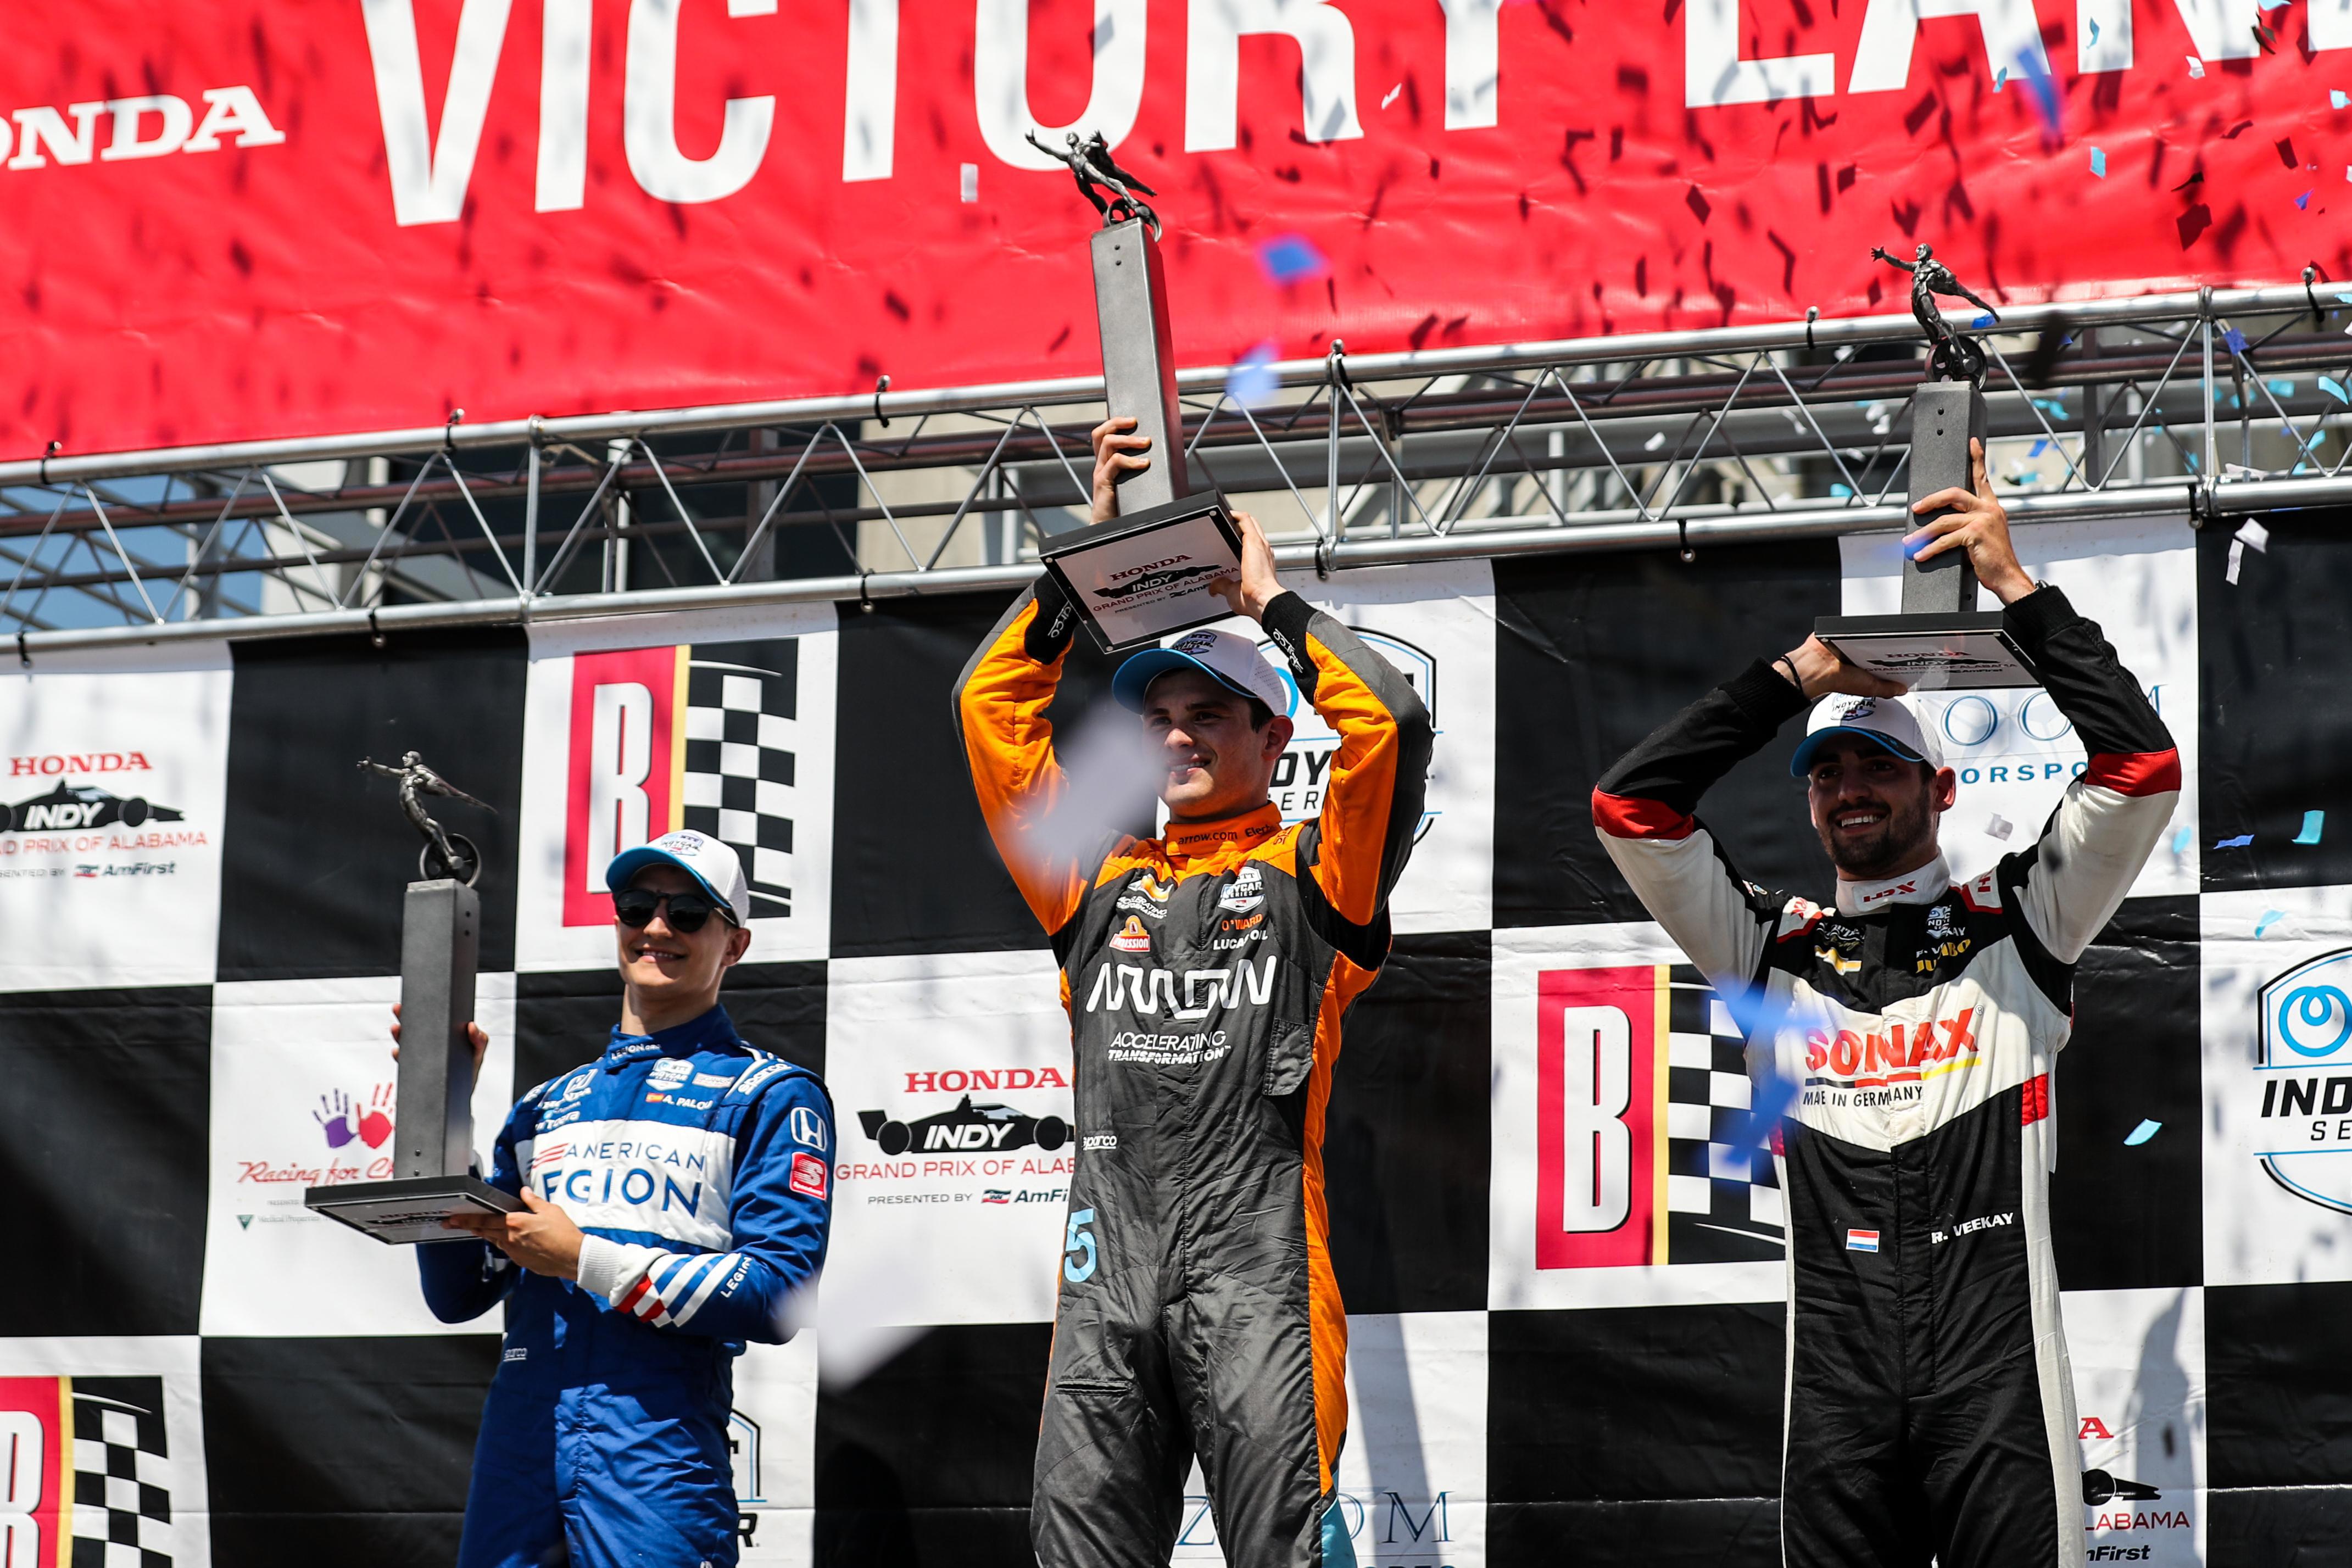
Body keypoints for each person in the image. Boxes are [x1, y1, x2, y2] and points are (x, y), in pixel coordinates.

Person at [1590, 441, 2178, 1568]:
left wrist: (2017, 590)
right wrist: (1800, 676)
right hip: (1835, 1386)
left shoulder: (2022, 922)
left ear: (1938, 786)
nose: (1847, 790)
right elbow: (1629, 805)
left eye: (1873, 767)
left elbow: (2138, 769)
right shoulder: (1764, 947)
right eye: (1825, 773)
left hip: (1993, 1370)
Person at [956, 416, 1433, 1568]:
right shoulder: (1090, 875)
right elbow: (991, 709)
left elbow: (1389, 725)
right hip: (1104, 1278)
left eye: (1206, 714)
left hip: (1259, 1272)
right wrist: (1086, 570)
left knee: (1283, 1551)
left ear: (1272, 735)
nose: (1174, 735)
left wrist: (1272, 607)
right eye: (1156, 717)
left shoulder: (1318, 874)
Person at [402, 829, 834, 1568]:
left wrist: (585, 1259)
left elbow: (777, 1294)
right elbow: (456, 1294)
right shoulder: (545, 1106)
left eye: (690, 914)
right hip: (522, 1439)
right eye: (637, 907)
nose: (657, 928)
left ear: (734, 945)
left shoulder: (769, 1094)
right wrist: (444, 1117)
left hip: (656, 1445)